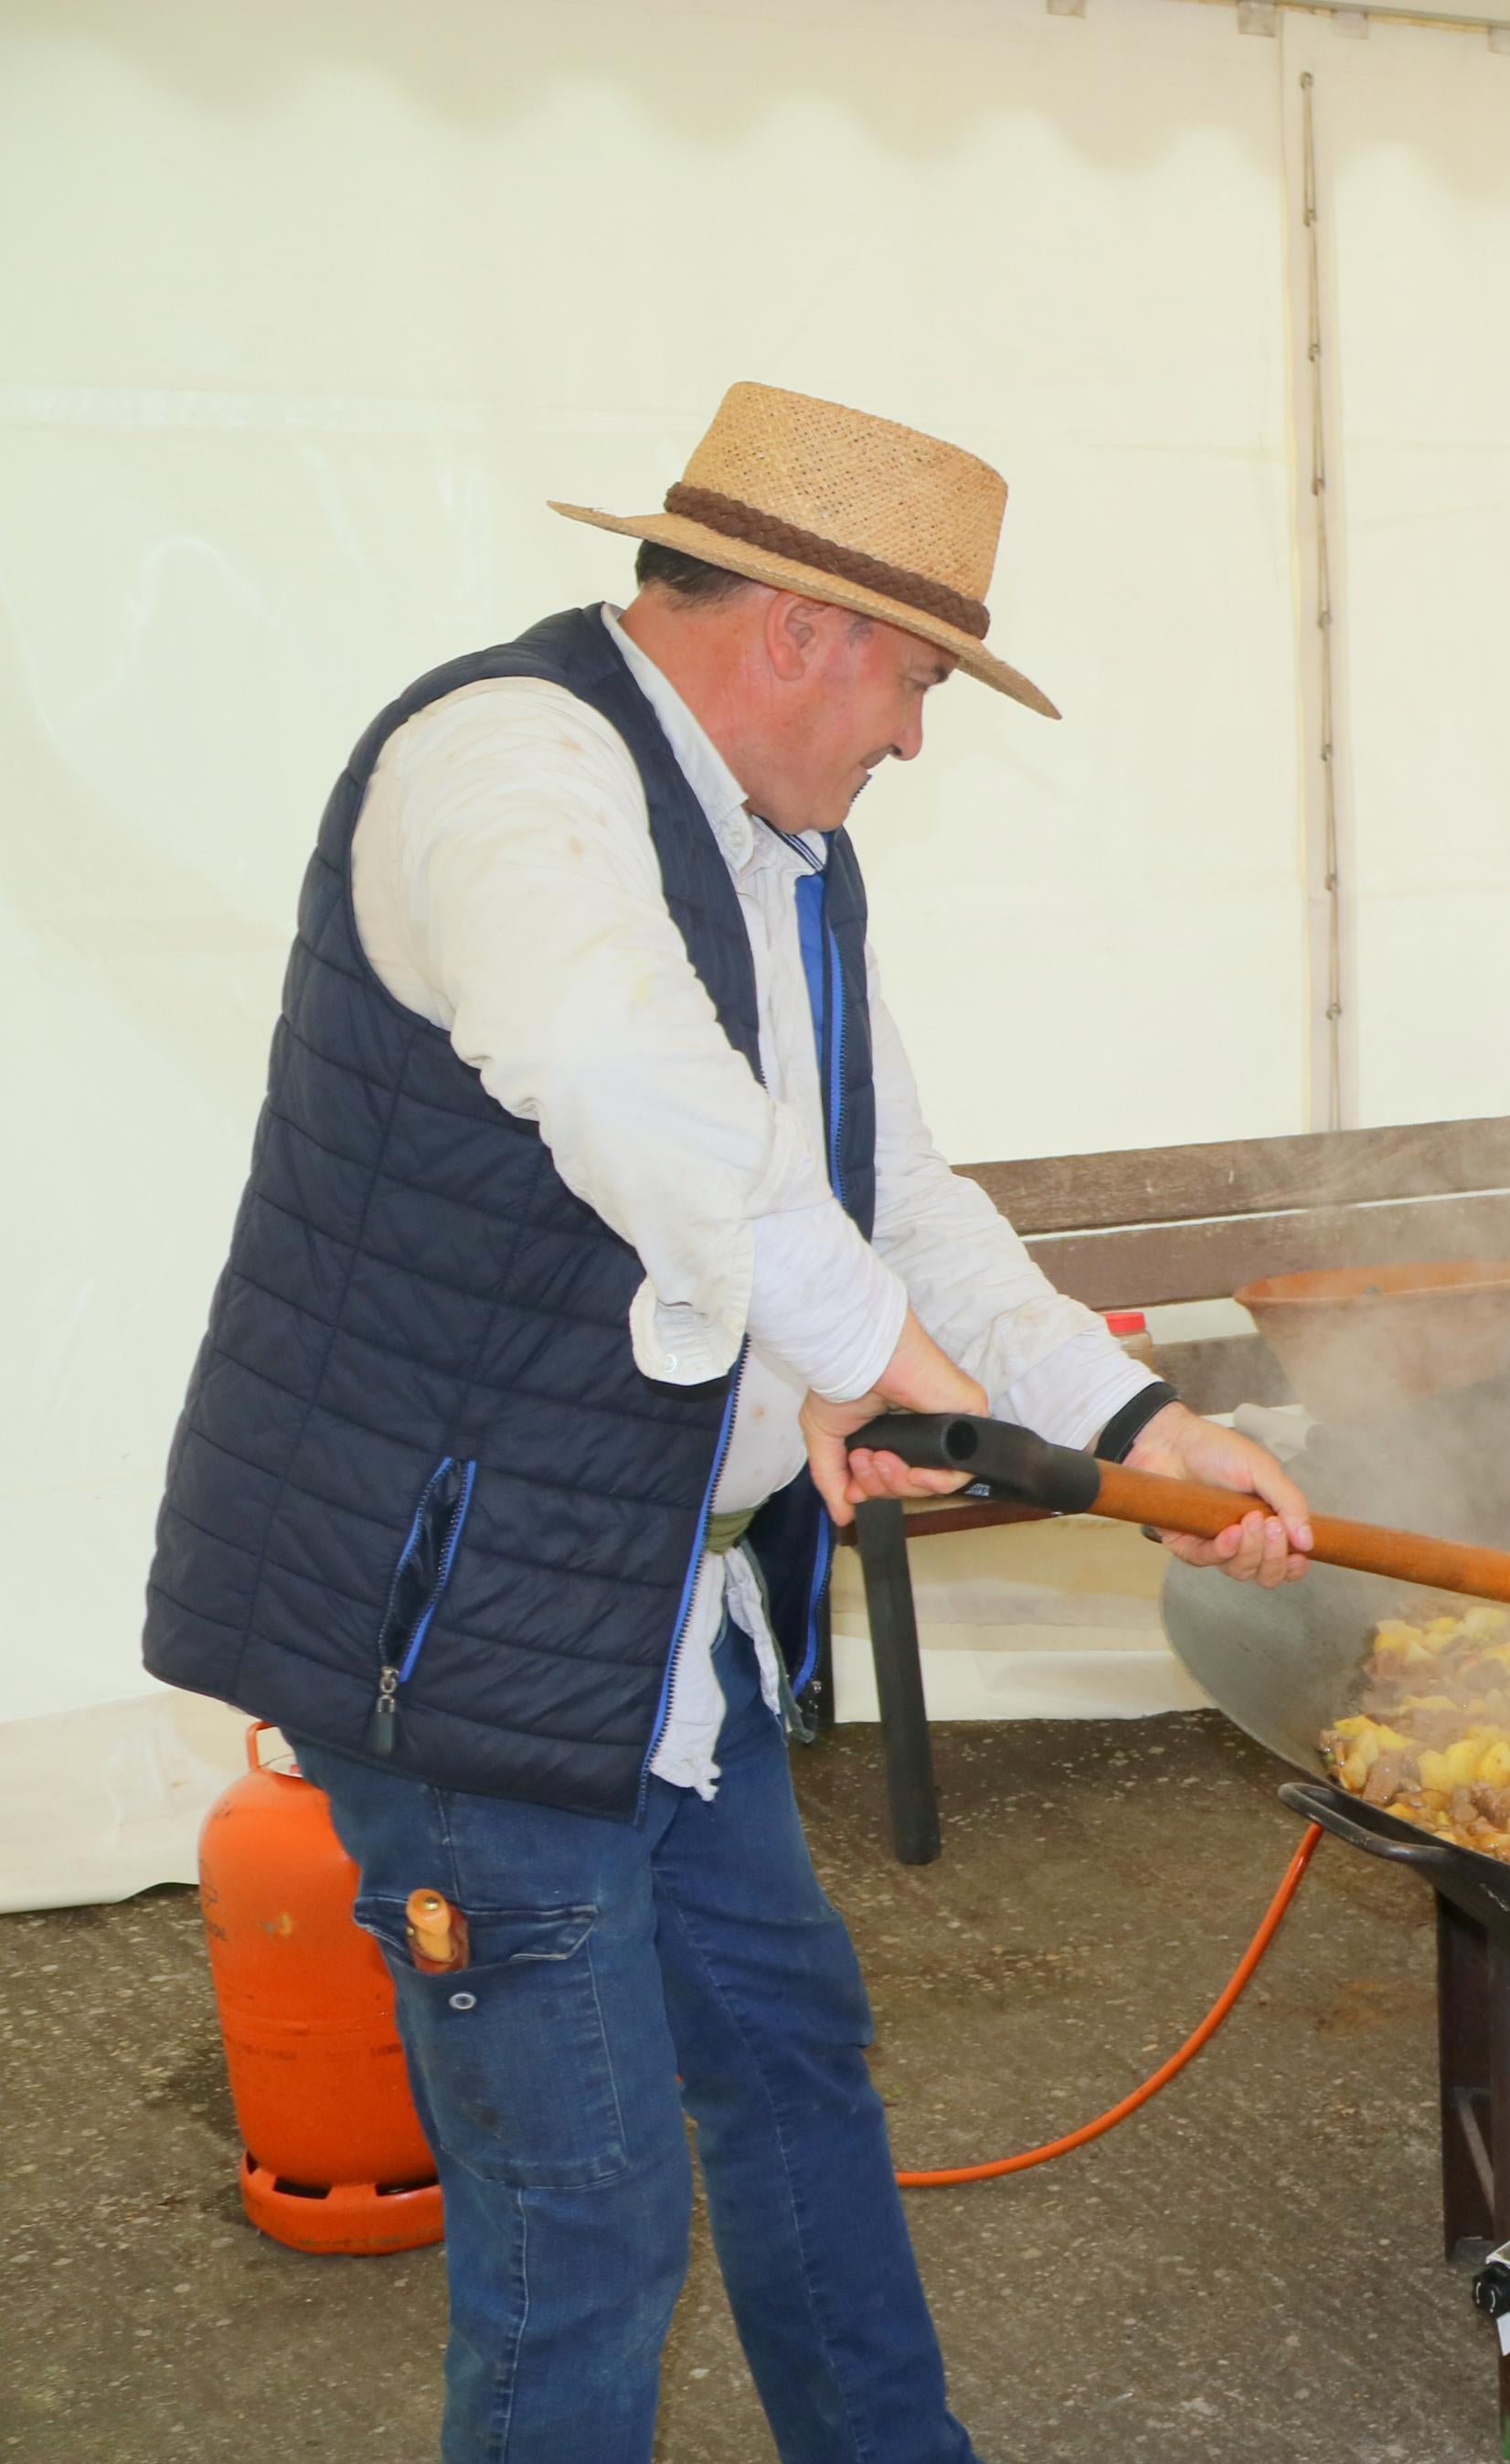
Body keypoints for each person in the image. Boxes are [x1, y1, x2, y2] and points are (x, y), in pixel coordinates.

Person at [141, 381, 1313, 2463]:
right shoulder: (503, 765)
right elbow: (611, 1069)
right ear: (797, 629)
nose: (914, 736)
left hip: (668, 1630)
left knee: (788, 2063)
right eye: (919, 678)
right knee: (579, 2209)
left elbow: (895, 1203)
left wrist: (1139, 1421)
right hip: (471, 1628)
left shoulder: (791, 860)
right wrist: (862, 1349)